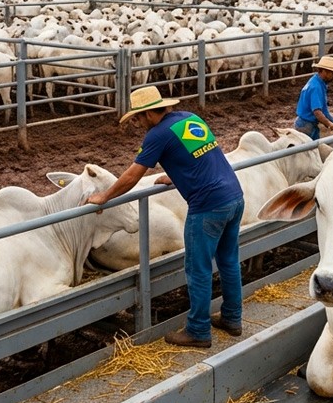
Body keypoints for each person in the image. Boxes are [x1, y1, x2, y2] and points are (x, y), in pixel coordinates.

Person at [85, 87, 244, 348]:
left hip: (207, 207)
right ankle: (232, 318)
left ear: (149, 114)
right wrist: (177, 175)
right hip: (234, 196)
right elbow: (201, 155)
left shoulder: (157, 134)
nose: (137, 123)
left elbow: (132, 175)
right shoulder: (189, 119)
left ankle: (198, 330)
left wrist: (105, 196)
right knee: (228, 261)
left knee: (198, 269)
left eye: (138, 117)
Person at [294, 56, 333, 139]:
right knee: (313, 146)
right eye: (332, 73)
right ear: (324, 72)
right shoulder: (316, 87)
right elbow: (317, 112)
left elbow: (324, 111)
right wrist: (329, 124)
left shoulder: (316, 81)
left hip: (304, 123)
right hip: (307, 125)